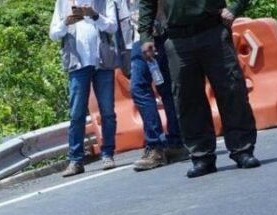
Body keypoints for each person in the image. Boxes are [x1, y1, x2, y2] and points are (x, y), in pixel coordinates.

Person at [139, 0, 260, 177]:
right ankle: (202, 156)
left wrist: (235, 8)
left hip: (212, 31)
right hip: (177, 38)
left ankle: (242, 150)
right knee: (187, 99)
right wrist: (145, 36)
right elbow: (146, 3)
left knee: (232, 90)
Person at [50, 0, 120, 177]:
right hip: (77, 63)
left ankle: (108, 154)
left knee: (108, 112)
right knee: (76, 114)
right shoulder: (63, 2)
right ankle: (76, 160)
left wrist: (94, 15)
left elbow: (112, 27)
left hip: (102, 62)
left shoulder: (104, 2)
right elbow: (54, 34)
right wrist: (66, 22)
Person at [118, 0, 190, 171]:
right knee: (165, 88)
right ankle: (175, 143)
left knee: (140, 88)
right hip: (149, 33)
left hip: (151, 33)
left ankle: (156, 146)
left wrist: (150, 34)